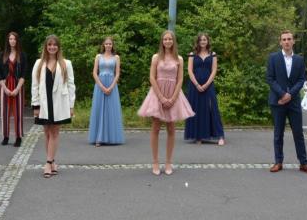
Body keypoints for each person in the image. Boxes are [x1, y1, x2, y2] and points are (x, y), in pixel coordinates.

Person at [138, 30, 195, 176]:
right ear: (162, 41)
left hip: (173, 95)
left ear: (173, 41)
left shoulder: (180, 59)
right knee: (156, 127)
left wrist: (173, 98)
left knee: (171, 128)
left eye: (170, 39)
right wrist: (162, 98)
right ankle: (155, 162)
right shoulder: (156, 57)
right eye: (165, 39)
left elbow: (180, 79)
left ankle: (168, 162)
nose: (167, 41)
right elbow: (152, 77)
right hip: (158, 94)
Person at [266, 30, 307, 175]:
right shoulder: (273, 58)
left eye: (289, 39)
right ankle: (278, 162)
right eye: (284, 39)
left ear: (293, 41)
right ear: (280, 42)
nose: (287, 42)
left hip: (293, 102)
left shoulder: (299, 60)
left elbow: (302, 79)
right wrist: (282, 94)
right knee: (278, 133)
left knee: (298, 133)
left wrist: (290, 95)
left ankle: (304, 163)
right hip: (278, 101)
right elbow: (270, 78)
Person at [31, 35, 75, 178]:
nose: (52, 47)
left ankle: (48, 163)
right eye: (49, 45)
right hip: (44, 103)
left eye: (54, 45)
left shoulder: (65, 63)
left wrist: (71, 105)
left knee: (55, 132)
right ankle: (53, 162)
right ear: (46, 46)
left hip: (60, 104)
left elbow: (71, 85)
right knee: (47, 133)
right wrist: (35, 105)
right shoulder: (39, 63)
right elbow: (35, 86)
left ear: (58, 47)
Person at [184, 33, 225, 145]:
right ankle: (199, 136)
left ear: (208, 41)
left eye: (205, 40)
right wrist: (197, 85)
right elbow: (189, 71)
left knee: (213, 108)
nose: (203, 41)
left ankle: (220, 136)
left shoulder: (213, 54)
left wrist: (207, 84)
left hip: (208, 85)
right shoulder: (192, 54)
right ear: (198, 41)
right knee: (196, 109)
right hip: (194, 86)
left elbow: (214, 70)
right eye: (201, 40)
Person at [88, 37, 124, 146]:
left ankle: (110, 137)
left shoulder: (116, 57)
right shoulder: (98, 57)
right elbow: (94, 73)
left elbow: (117, 73)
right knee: (99, 110)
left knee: (111, 111)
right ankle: (98, 138)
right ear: (103, 45)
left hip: (112, 85)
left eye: (110, 44)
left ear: (112, 45)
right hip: (100, 85)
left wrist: (111, 87)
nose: (108, 45)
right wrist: (102, 87)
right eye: (106, 44)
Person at [0, 32, 28, 147]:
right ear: (8, 41)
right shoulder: (2, 55)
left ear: (17, 41)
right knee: (5, 111)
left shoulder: (22, 55)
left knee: (18, 112)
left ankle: (18, 137)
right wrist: (4, 88)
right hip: (5, 85)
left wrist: (17, 89)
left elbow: (24, 74)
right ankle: (5, 136)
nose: (12, 41)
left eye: (14, 39)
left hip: (17, 85)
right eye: (10, 39)